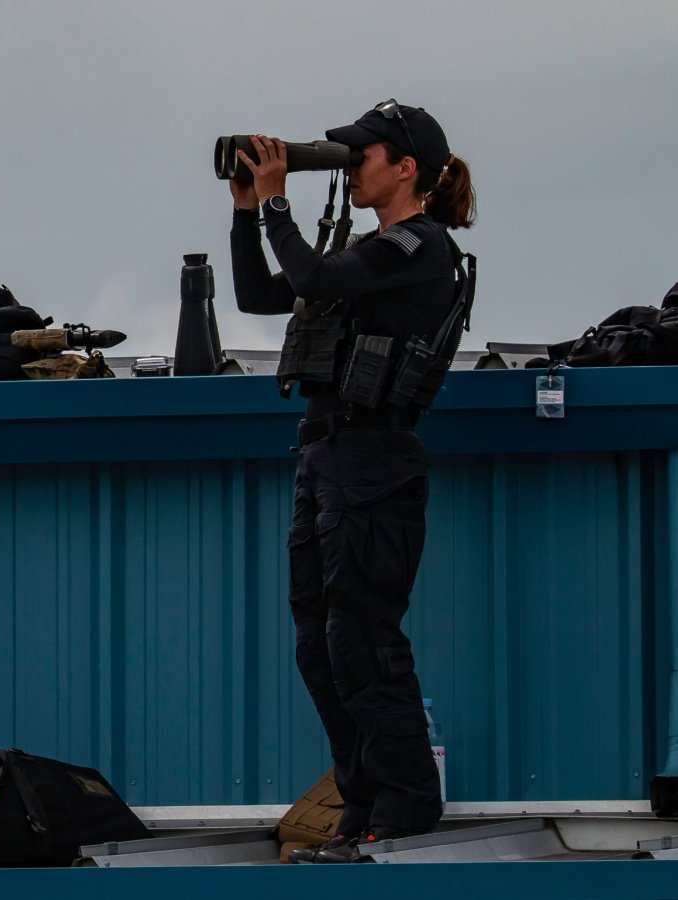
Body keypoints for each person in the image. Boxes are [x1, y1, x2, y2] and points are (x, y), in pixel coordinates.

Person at [227, 100, 476, 863]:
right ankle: (361, 800)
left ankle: (404, 803)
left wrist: (276, 200)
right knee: (320, 645)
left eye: (361, 154)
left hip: (375, 462)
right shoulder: (367, 256)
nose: (351, 165)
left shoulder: (419, 245)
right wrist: (247, 212)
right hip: (326, 458)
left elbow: (309, 270)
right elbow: (262, 295)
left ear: (407, 168)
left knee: (362, 640)